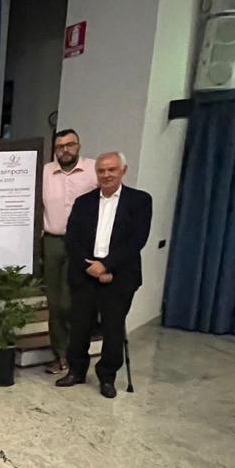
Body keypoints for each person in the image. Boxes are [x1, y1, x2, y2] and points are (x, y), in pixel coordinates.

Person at [55, 151, 152, 399]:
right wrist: (90, 267)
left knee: (113, 329)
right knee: (79, 327)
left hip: (120, 277)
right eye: (101, 170)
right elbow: (72, 238)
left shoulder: (140, 201)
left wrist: (107, 266)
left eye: (112, 169)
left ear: (123, 170)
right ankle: (76, 371)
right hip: (85, 274)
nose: (106, 175)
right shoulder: (83, 202)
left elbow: (137, 240)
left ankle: (107, 377)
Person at [41, 129, 98, 374]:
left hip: (83, 244)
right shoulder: (45, 172)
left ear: (79, 145)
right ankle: (60, 355)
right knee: (55, 304)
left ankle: (77, 353)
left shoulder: (94, 170)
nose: (65, 150)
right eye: (60, 146)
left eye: (70, 144)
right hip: (53, 242)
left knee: (72, 302)